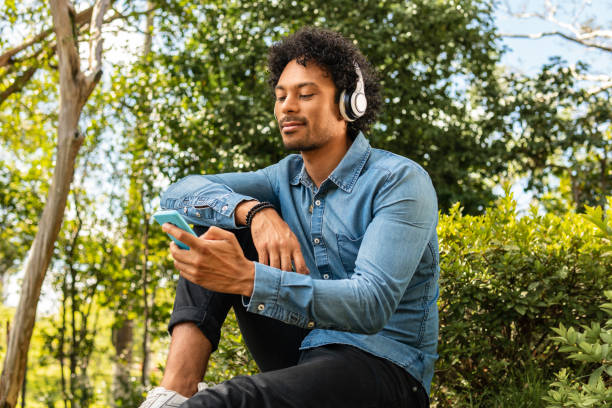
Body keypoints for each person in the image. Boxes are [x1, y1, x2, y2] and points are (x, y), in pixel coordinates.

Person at [139, 26, 439, 408]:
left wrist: (247, 278)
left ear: (349, 104)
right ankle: (173, 392)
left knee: (224, 403)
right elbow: (178, 192)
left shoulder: (398, 181)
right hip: (305, 352)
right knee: (218, 221)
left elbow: (371, 304)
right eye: (281, 96)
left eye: (305, 94)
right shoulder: (280, 179)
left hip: (383, 368)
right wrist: (256, 212)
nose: (286, 107)